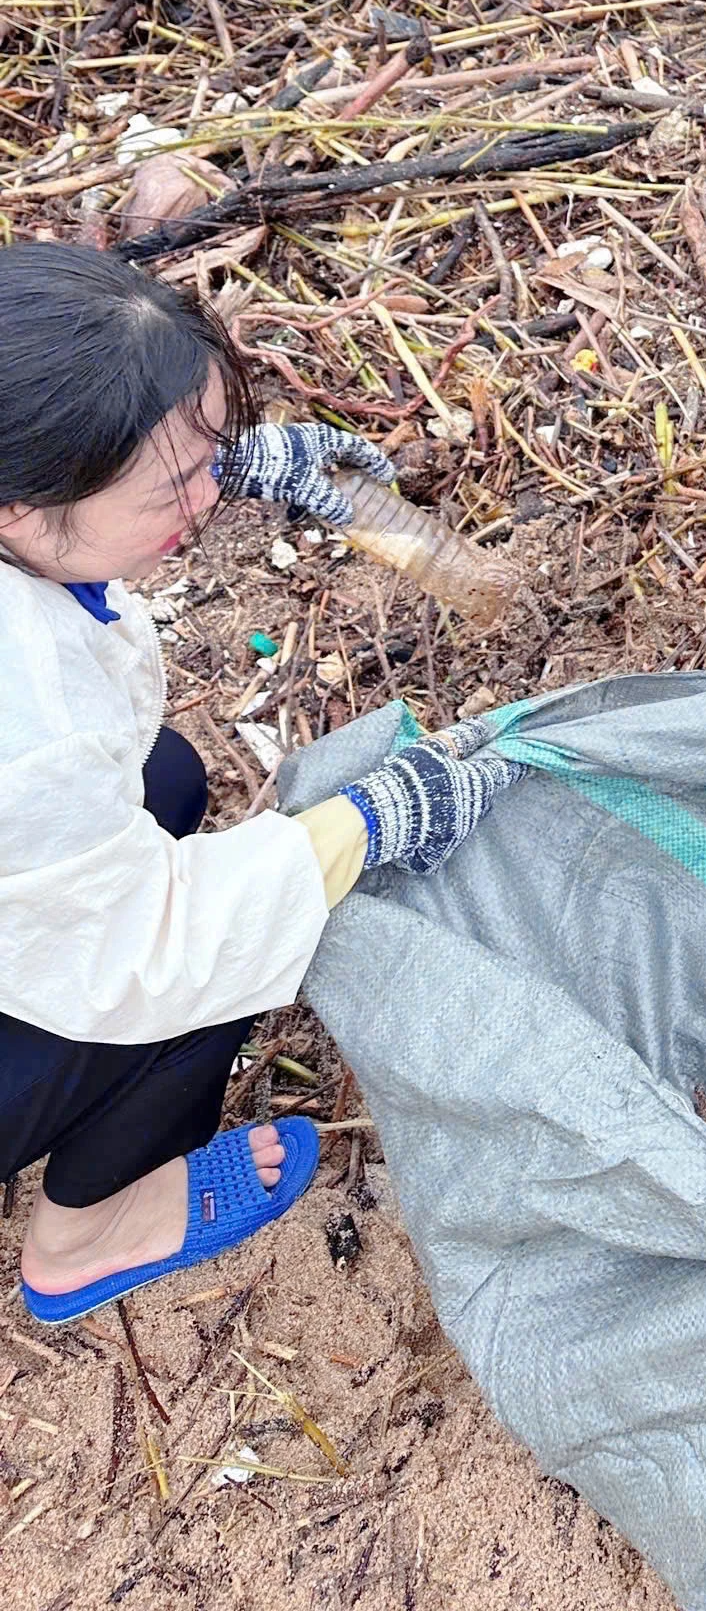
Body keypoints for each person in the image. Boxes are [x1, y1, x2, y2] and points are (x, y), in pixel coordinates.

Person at [0, 243, 522, 1326]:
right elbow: (147, 946)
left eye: (209, 450)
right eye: (170, 483)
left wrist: (220, 465)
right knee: (221, 962)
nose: (204, 488)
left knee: (166, 781)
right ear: (22, 504)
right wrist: (369, 822)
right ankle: (80, 1238)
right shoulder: (24, 705)